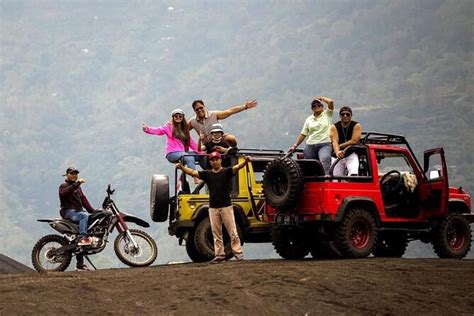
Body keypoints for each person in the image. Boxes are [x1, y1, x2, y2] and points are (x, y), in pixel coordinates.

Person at [176, 151, 251, 263]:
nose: (215, 161)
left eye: (217, 159)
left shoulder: (227, 171)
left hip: (226, 206)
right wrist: (182, 167)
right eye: (213, 160)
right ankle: (219, 255)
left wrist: (245, 161)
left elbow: (237, 167)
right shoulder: (207, 174)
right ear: (210, 162)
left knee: (232, 231)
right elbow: (193, 172)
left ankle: (238, 254)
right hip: (213, 208)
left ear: (220, 160)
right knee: (216, 233)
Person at [143, 109, 202, 184]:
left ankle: (208, 175)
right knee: (189, 157)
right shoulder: (169, 127)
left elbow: (192, 143)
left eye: (180, 116)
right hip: (172, 153)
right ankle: (196, 178)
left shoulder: (185, 130)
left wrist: (202, 152)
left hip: (183, 153)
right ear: (173, 117)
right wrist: (147, 129)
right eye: (176, 116)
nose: (178, 117)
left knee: (202, 156)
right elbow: (158, 130)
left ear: (183, 117)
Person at [59, 167, 95, 271]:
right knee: (84, 217)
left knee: (86, 227)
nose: (74, 175)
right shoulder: (64, 186)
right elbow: (65, 193)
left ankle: (80, 265)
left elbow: (83, 199)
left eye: (76, 173)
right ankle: (83, 238)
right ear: (67, 175)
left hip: (78, 212)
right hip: (68, 212)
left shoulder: (77, 188)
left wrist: (93, 211)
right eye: (72, 173)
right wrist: (78, 183)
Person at [288, 96, 335, 174]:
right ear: (312, 109)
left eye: (319, 105)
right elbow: (303, 133)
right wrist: (295, 146)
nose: (316, 107)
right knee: (310, 165)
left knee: (325, 160)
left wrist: (321, 98)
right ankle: (312, 181)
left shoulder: (327, 114)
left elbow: (331, 102)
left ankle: (326, 180)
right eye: (314, 106)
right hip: (310, 145)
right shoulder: (309, 119)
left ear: (322, 107)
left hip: (324, 144)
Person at [188, 99, 257, 146]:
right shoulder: (193, 121)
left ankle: (233, 150)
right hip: (207, 145)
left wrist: (245, 107)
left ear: (204, 107)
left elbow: (230, 111)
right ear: (194, 110)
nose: (200, 110)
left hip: (219, 139)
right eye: (197, 109)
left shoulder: (213, 114)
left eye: (201, 108)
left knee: (231, 138)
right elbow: (182, 129)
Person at [330, 106, 362, 176]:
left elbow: (355, 141)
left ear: (351, 115)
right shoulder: (334, 126)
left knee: (353, 173)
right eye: (343, 114)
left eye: (347, 114)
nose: (345, 116)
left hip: (351, 152)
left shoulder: (356, 125)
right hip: (338, 155)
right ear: (340, 115)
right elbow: (334, 141)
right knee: (336, 177)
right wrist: (337, 152)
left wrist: (340, 145)